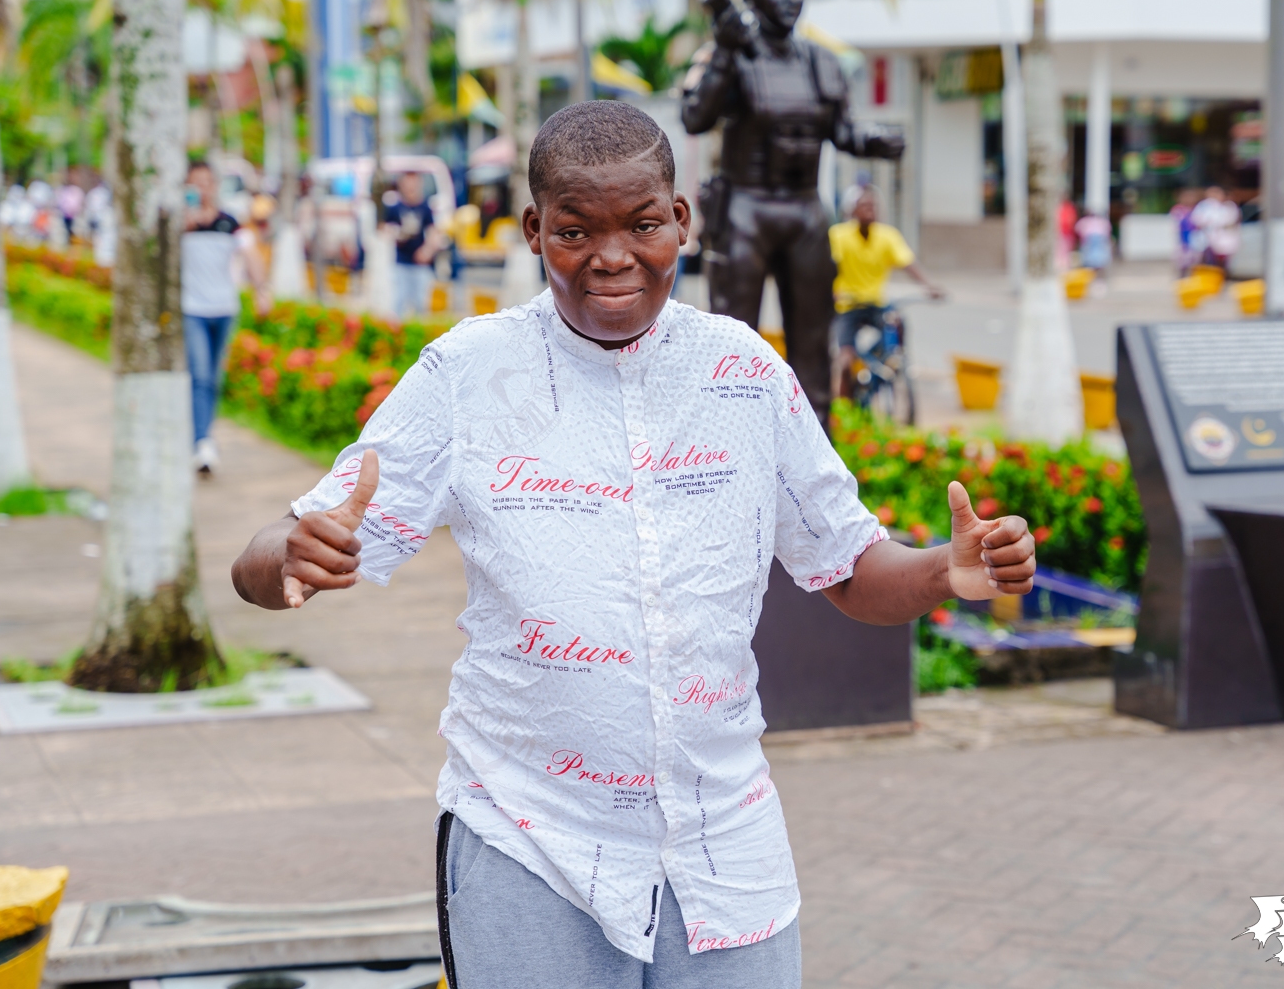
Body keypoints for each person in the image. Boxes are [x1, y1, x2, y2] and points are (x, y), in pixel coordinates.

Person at [229, 101, 1037, 989]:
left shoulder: (745, 373)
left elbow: (845, 569)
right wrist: (287, 557)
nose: (613, 257)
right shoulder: (467, 374)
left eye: (642, 224)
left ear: (680, 221)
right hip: (529, 840)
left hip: (724, 849)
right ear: (535, 229)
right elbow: (273, 554)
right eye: (576, 231)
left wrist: (941, 572)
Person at [681, 0, 906, 425]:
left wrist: (875, 140)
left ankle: (814, 455)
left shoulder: (820, 61)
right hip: (747, 207)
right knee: (734, 340)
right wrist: (725, 50)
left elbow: (843, 132)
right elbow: (696, 117)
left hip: (804, 210)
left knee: (812, 343)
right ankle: (729, 446)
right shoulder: (735, 52)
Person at [182, 162, 268, 474]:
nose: (202, 188)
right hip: (191, 309)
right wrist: (185, 222)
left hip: (224, 309)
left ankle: (201, 435)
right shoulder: (180, 224)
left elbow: (251, 255)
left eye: (207, 182)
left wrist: (262, 291)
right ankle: (202, 442)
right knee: (200, 375)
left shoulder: (229, 222)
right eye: (196, 183)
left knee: (213, 378)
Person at [827, 185, 943, 397]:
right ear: (851, 211)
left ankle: (881, 363)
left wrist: (929, 285)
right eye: (864, 205)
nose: (870, 210)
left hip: (876, 302)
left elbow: (909, 263)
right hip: (848, 305)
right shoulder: (839, 236)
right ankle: (844, 407)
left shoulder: (888, 236)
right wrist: (828, 290)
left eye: (873, 206)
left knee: (896, 324)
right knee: (845, 359)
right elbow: (827, 267)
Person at [383, 171, 440, 318]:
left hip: (420, 264)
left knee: (422, 304)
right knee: (399, 302)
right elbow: (386, 228)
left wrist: (427, 251)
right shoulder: (395, 208)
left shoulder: (425, 207)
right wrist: (397, 234)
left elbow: (433, 232)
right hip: (401, 261)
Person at [1191, 185, 1240, 271]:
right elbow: (1197, 220)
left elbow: (1231, 221)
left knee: (1222, 261)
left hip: (1222, 238)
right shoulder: (1204, 206)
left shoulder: (1228, 206)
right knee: (1205, 259)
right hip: (1206, 238)